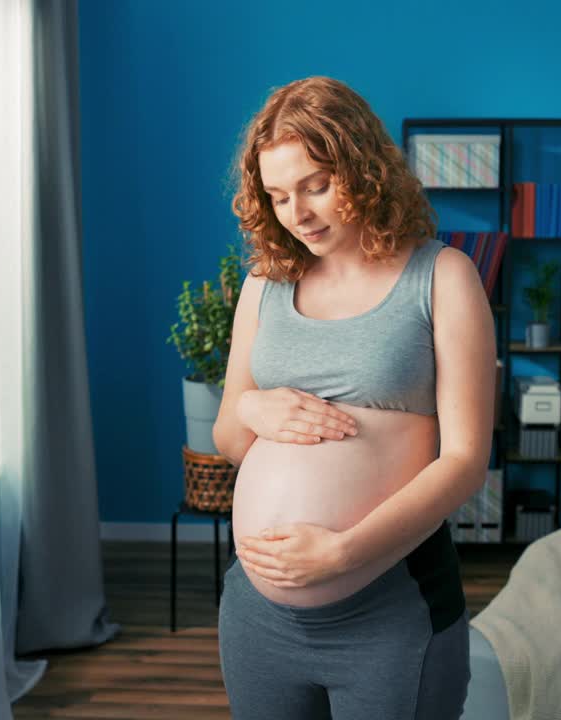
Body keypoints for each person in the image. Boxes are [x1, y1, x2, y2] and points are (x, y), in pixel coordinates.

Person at [211, 76, 496, 720]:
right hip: (259, 619)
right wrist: (254, 408)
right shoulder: (265, 284)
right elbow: (229, 437)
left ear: (363, 169)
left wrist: (342, 554)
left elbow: (465, 460)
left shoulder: (442, 278)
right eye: (279, 196)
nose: (298, 214)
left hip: (391, 613)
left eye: (315, 186)